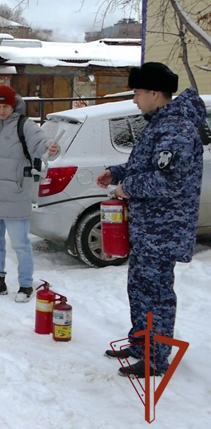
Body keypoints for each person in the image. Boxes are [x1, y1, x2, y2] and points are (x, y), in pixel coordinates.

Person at [96, 63, 205, 378]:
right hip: (149, 229)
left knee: (156, 294)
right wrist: (117, 172)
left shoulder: (177, 129)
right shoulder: (161, 124)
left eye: (138, 93)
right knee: (140, 288)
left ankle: (155, 358)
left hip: (164, 230)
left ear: (155, 94)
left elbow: (169, 182)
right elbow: (147, 164)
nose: (135, 100)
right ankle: (140, 343)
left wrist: (126, 187)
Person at [0, 85, 59, 303]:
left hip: (15, 194)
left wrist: (49, 148)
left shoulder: (25, 126)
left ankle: (25, 285)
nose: (2, 110)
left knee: (20, 244)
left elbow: (40, 144)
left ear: (14, 105)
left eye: (6, 106)